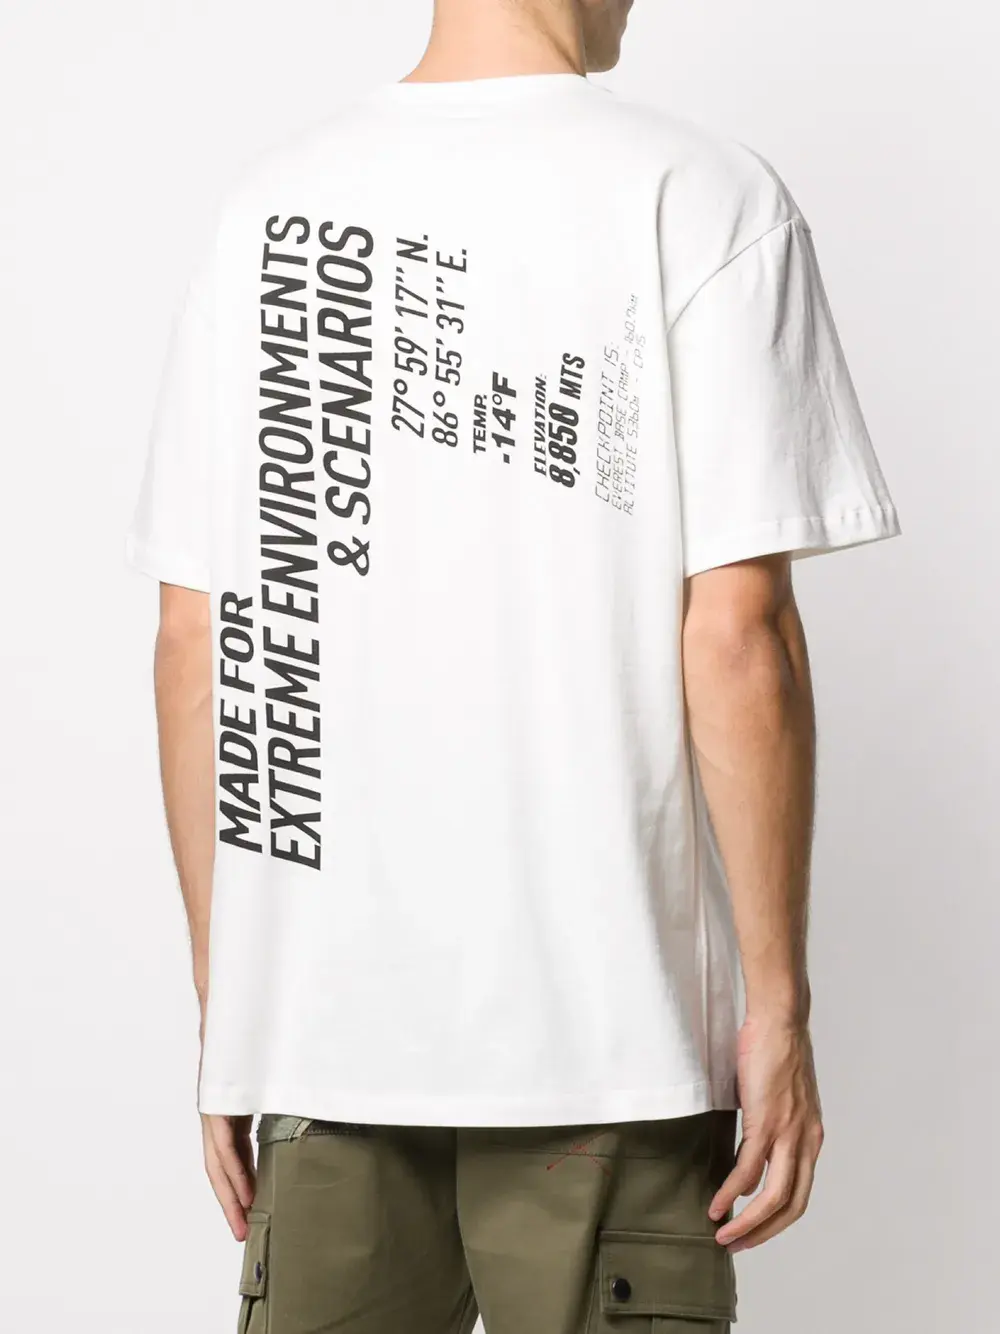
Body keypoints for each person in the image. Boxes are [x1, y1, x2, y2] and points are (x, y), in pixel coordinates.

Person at [126, 0, 900, 1329]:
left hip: (327, 1045)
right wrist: (777, 1009)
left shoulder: (266, 215)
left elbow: (195, 641)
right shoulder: (699, 197)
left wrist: (234, 1013)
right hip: (612, 1049)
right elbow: (737, 635)